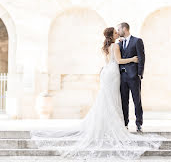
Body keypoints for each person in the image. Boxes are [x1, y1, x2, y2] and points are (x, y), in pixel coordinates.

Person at [30, 27, 163, 160]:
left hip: (106, 72)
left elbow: (109, 61)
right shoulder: (116, 46)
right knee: (112, 99)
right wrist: (133, 59)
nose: (118, 33)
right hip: (113, 73)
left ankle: (108, 124)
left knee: (107, 99)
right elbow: (119, 61)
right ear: (112, 35)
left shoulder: (105, 46)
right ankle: (114, 125)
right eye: (116, 33)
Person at [117, 22, 145, 132]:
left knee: (136, 100)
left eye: (119, 29)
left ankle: (139, 123)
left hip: (134, 76)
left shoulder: (137, 41)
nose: (118, 31)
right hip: (122, 76)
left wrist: (139, 74)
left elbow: (142, 58)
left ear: (125, 29)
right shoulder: (120, 43)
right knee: (124, 100)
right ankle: (125, 123)